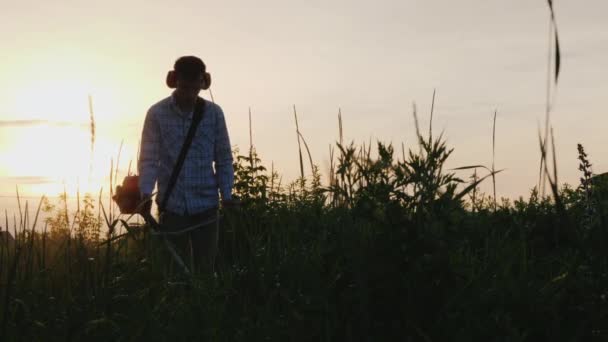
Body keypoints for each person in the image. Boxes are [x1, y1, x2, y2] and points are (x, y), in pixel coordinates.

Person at [137, 55, 236, 273]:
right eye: (185, 87)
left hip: (207, 208)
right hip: (171, 207)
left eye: (195, 88)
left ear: (203, 83)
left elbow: (223, 158)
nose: (190, 94)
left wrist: (227, 195)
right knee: (174, 274)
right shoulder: (156, 113)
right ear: (174, 80)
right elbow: (149, 158)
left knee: (205, 272)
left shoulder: (214, 113)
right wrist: (145, 192)